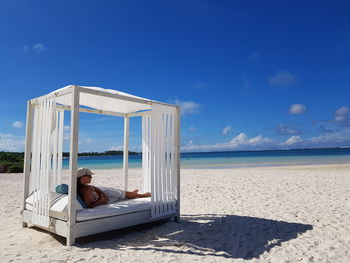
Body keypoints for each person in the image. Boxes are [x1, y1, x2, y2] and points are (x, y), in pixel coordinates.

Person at [77, 167, 151, 208]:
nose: (91, 177)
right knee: (120, 196)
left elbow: (96, 188)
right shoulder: (85, 190)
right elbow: (89, 206)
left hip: (104, 193)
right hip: (104, 198)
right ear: (83, 178)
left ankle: (134, 194)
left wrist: (103, 194)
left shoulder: (85, 186)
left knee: (121, 194)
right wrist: (101, 200)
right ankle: (141, 195)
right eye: (89, 176)